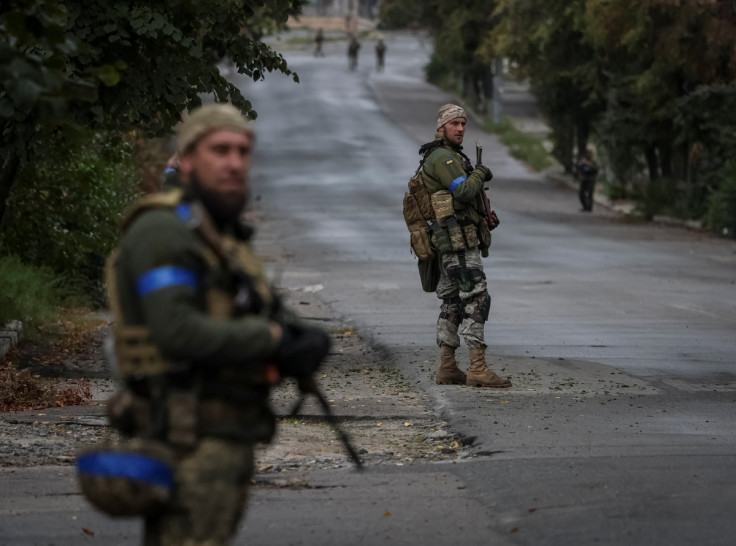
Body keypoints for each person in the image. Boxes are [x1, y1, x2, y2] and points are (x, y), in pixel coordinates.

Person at [106, 103, 329, 545]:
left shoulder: (214, 234)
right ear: (185, 160)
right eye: (220, 150)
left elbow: (243, 306)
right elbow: (176, 331)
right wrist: (271, 338)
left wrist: (299, 338)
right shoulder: (162, 231)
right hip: (188, 440)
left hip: (225, 435)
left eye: (243, 152)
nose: (234, 163)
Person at [421, 104, 511, 388]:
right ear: (441, 127)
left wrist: (482, 217)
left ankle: (448, 367)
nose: (460, 128)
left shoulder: (448, 156)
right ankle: (477, 368)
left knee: (452, 303)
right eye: (454, 123)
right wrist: (481, 173)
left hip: (452, 241)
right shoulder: (443, 158)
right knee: (477, 298)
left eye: (463, 123)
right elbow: (463, 190)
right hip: (457, 243)